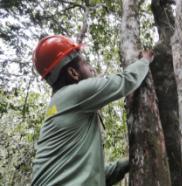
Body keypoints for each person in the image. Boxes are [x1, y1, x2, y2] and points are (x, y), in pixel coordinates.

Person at [31, 35, 154, 186]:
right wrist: (145, 61)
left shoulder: (60, 104)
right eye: (85, 63)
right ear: (73, 73)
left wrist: (128, 163)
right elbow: (125, 81)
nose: (92, 68)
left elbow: (91, 175)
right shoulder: (74, 94)